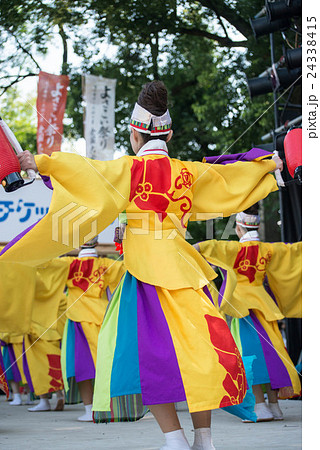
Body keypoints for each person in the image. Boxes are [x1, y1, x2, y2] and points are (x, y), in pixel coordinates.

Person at [2, 80, 282, 450]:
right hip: (188, 273)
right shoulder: (187, 172)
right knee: (204, 352)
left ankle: (174, 438)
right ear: (169, 135)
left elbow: (87, 173)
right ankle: (204, 438)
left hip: (145, 272)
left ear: (135, 134)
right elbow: (228, 178)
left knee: (148, 355)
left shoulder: (129, 171)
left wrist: (39, 162)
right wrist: (271, 169)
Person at [195, 203, 301, 423]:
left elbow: (201, 247)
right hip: (264, 306)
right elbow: (295, 251)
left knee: (249, 355)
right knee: (272, 352)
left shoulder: (233, 250)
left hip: (241, 307)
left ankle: (258, 406)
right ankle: (274, 405)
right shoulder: (268, 250)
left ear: (239, 229)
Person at [59, 237, 125, 421]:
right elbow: (130, 269)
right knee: (109, 363)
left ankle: (89, 409)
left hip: (78, 320)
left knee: (83, 366)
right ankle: (111, 407)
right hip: (103, 318)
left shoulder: (67, 264)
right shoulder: (107, 264)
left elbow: (43, 269)